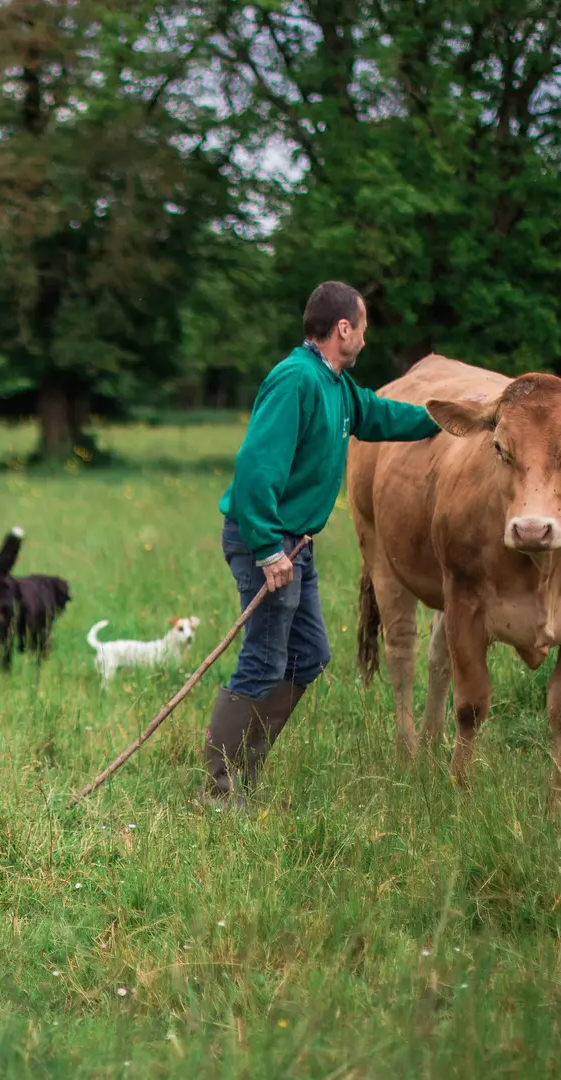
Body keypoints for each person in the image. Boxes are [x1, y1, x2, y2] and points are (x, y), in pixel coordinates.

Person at [207, 281, 440, 802]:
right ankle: (220, 790)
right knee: (264, 659)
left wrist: (444, 419)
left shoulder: (336, 385)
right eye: (363, 328)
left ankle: (244, 772)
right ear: (343, 328)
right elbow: (255, 467)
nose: (366, 339)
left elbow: (380, 415)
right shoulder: (296, 379)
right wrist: (268, 548)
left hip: (297, 544)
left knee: (308, 654)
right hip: (266, 540)